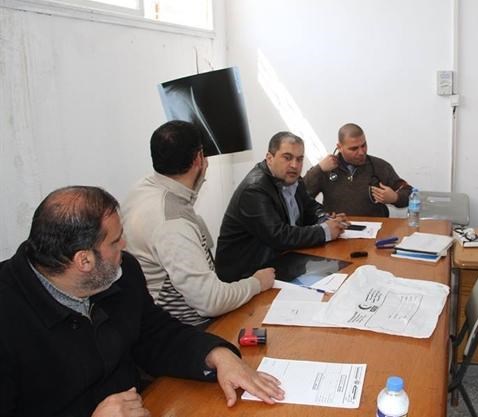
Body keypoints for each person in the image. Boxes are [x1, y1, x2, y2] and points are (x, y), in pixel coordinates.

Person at [0, 186, 283, 417]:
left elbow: (157, 335)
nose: (124, 246)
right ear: (83, 260)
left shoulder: (122, 274)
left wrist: (217, 355)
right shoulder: (10, 312)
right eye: (115, 241)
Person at [122, 121, 275, 327]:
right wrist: (257, 283)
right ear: (198, 158)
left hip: (146, 314)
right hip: (182, 328)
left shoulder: (143, 189)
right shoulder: (173, 224)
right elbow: (210, 302)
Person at [215, 131, 347, 281]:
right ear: (269, 158)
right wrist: (324, 231)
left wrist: (326, 219)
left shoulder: (292, 179)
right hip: (247, 276)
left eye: (299, 159)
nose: (295, 165)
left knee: (341, 277)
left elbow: (311, 207)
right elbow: (279, 235)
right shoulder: (254, 190)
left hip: (282, 262)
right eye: (287, 157)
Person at [303, 123, 411, 217]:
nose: (361, 152)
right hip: (337, 227)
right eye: (354, 148)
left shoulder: (379, 166)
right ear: (339, 147)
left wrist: (395, 198)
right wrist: (318, 169)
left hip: (375, 228)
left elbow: (410, 193)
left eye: (363, 145)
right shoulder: (326, 168)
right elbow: (300, 195)